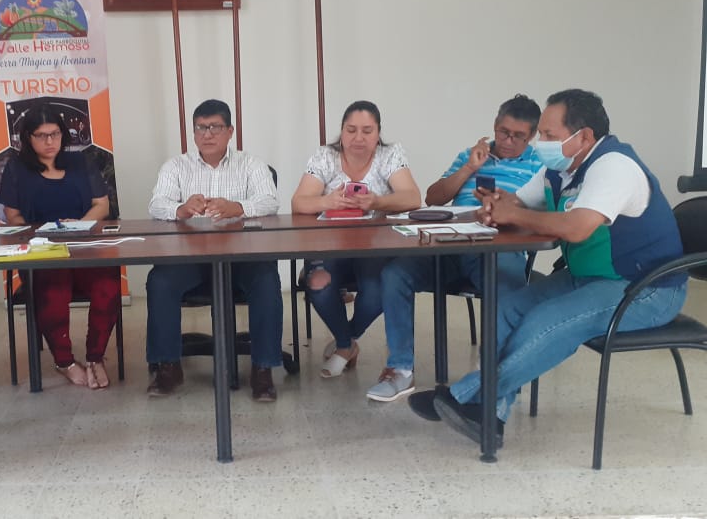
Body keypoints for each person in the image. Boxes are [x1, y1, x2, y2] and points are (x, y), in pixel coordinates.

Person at [410, 89, 688, 446]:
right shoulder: (559, 169)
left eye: (549, 135)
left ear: (583, 137)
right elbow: (519, 202)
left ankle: (464, 396)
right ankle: (490, 417)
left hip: (646, 287)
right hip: (587, 277)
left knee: (548, 321)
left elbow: (577, 227)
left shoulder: (613, 166)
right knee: (506, 307)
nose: (541, 142)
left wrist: (513, 214)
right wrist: (498, 205)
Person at [366, 94, 543, 402]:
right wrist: (468, 169)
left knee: (508, 287)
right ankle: (400, 369)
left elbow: (544, 213)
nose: (508, 141)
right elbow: (433, 197)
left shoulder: (540, 165)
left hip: (499, 248)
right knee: (395, 273)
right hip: (449, 244)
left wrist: (506, 209)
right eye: (503, 132)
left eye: (518, 136)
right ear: (494, 125)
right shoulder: (471, 155)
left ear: (532, 136)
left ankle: (496, 376)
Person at [145, 99, 283, 402]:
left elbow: (270, 201)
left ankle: (263, 369)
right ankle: (167, 366)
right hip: (191, 258)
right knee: (160, 281)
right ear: (193, 132)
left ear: (230, 131)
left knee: (266, 279)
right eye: (201, 128)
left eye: (215, 127)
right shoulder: (176, 166)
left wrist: (239, 207)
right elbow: (156, 205)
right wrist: (180, 209)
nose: (207, 134)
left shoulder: (251, 164)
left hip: (242, 257)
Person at [290, 100, 422, 378]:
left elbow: (412, 197)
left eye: (367, 131)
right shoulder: (325, 156)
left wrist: (377, 201)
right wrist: (327, 201)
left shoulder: (389, 155)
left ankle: (344, 342)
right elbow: (298, 202)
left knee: (377, 290)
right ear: (341, 131)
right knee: (318, 283)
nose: (358, 138)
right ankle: (346, 344)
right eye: (351, 130)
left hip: (375, 247)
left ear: (378, 133)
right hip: (329, 246)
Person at [0, 105, 121, 389]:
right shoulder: (16, 168)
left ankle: (96, 356)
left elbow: (101, 206)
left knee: (108, 284)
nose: (50, 141)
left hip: (84, 246)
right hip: (42, 250)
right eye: (41, 136)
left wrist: (77, 226)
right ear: (27, 138)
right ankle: (64, 361)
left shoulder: (80, 162)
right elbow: (13, 216)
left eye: (55, 134)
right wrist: (45, 231)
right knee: (53, 289)